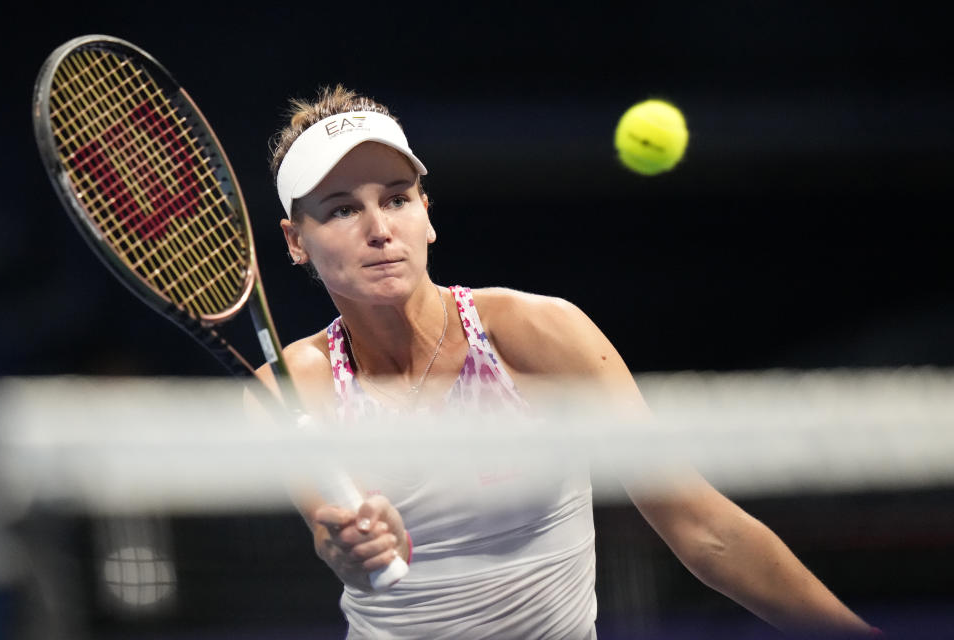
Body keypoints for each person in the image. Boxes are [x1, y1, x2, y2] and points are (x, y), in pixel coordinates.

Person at [253, 84, 879, 639]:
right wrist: (351, 546)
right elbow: (332, 536)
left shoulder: (536, 334)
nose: (379, 228)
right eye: (341, 208)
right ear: (295, 241)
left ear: (427, 215)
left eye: (396, 198)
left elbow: (702, 528)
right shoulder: (291, 387)